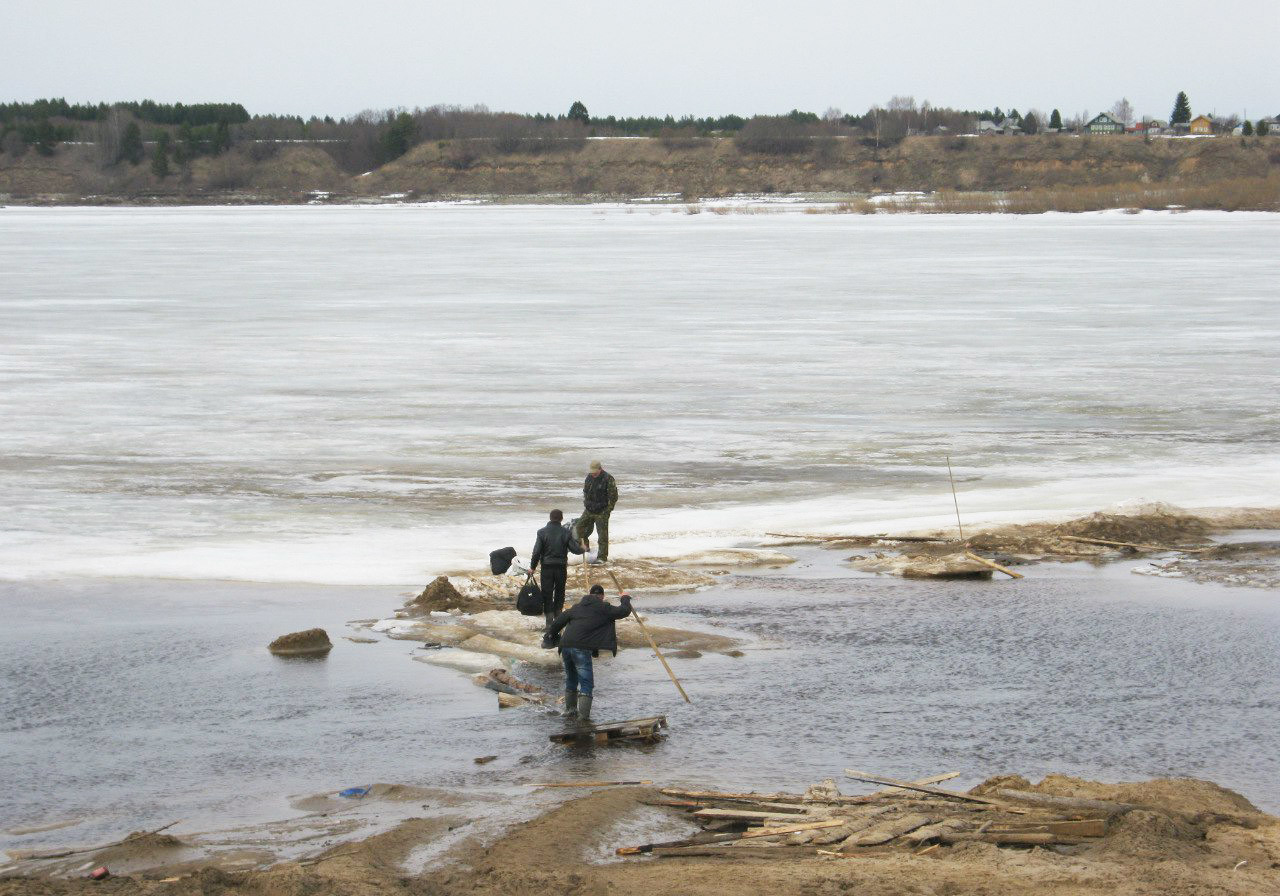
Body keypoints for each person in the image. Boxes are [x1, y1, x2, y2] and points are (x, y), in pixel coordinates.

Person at [544, 583, 632, 723]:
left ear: (589, 594)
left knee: (572, 679)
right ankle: (583, 719)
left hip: (566, 646)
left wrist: (550, 636)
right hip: (580, 648)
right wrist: (625, 598)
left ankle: (570, 711)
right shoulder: (604, 608)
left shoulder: (576, 607)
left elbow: (558, 622)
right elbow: (624, 611)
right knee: (586, 683)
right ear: (601, 596)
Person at [529, 509, 586, 632]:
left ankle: (549, 624)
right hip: (560, 567)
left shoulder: (541, 532)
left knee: (547, 594)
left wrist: (532, 567)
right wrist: (583, 548)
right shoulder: (565, 532)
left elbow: (536, 552)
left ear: (550, 518)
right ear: (561, 519)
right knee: (560, 592)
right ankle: (558, 620)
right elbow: (574, 549)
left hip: (547, 568)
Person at [575, 460, 617, 564]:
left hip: (602, 511)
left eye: (595, 472)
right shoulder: (589, 477)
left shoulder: (608, 478)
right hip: (589, 509)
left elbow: (613, 497)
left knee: (602, 536)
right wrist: (586, 503)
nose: (593, 474)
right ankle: (585, 548)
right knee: (578, 528)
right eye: (592, 472)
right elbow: (585, 491)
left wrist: (607, 511)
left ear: (600, 469)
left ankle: (602, 558)